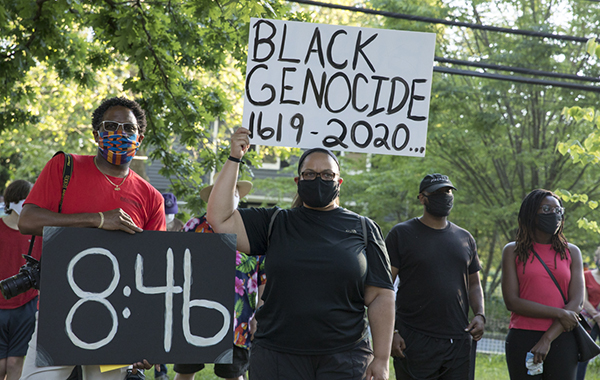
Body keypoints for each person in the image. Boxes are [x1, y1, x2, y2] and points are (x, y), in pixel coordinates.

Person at [205, 127, 395, 380]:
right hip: (277, 357)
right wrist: (235, 157)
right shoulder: (274, 222)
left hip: (345, 358)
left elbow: (381, 295)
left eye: (327, 174)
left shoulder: (364, 228)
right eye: (310, 174)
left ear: (339, 182)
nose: (319, 179)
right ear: (298, 181)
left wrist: (381, 359)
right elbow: (219, 219)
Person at [17, 96, 166, 380]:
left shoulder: (151, 197)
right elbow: (28, 221)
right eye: (111, 126)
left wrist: (149, 336)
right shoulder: (64, 168)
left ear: (140, 137)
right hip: (58, 311)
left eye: (128, 129)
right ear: (96, 133)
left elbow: (153, 269)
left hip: (117, 320)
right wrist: (97, 219)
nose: (119, 133)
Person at [385, 173, 485, 380]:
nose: (444, 196)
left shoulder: (465, 238)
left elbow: (474, 284)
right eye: (437, 193)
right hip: (413, 340)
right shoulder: (401, 234)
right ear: (422, 198)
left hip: (458, 339)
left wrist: (480, 314)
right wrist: (392, 332)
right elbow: (385, 287)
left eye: (447, 191)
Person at [174, 176, 265, 380]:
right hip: (192, 314)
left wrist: (259, 314)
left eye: (233, 193)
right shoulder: (194, 226)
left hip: (238, 319)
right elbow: (175, 266)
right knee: (185, 372)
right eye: (221, 192)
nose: (228, 197)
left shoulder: (252, 229)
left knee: (234, 375)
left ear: (239, 198)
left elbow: (263, 277)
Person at [502, 189, 584, 380]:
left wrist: (547, 339)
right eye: (546, 209)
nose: (554, 215)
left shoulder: (572, 252)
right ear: (531, 213)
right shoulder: (512, 251)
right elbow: (512, 302)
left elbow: (577, 302)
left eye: (558, 210)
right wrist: (559, 313)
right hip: (522, 337)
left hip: (562, 337)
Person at [0, 180, 42, 380]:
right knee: (1, 364)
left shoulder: (37, 233)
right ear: (12, 200)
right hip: (0, 304)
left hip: (26, 304)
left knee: (16, 362)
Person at [576, 246, 600, 380]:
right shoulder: (586, 276)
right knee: (584, 354)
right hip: (589, 322)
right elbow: (583, 300)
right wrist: (597, 316)